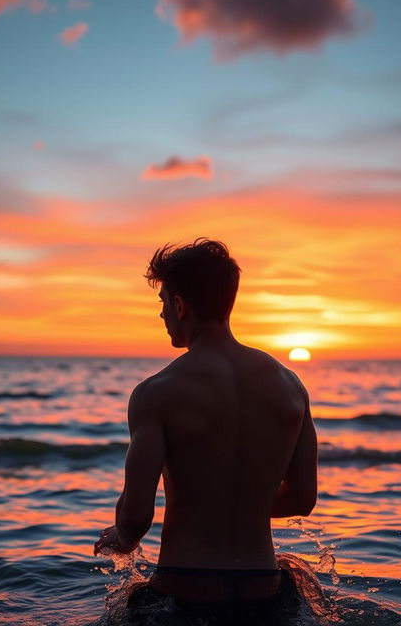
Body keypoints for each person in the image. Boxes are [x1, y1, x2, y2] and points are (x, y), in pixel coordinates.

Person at [94, 238, 318, 624]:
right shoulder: (290, 386)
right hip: (267, 592)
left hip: (183, 595)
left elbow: (135, 517)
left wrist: (120, 538)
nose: (162, 315)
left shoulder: (157, 392)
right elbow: (302, 499)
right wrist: (237, 504)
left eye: (163, 303)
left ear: (180, 306)